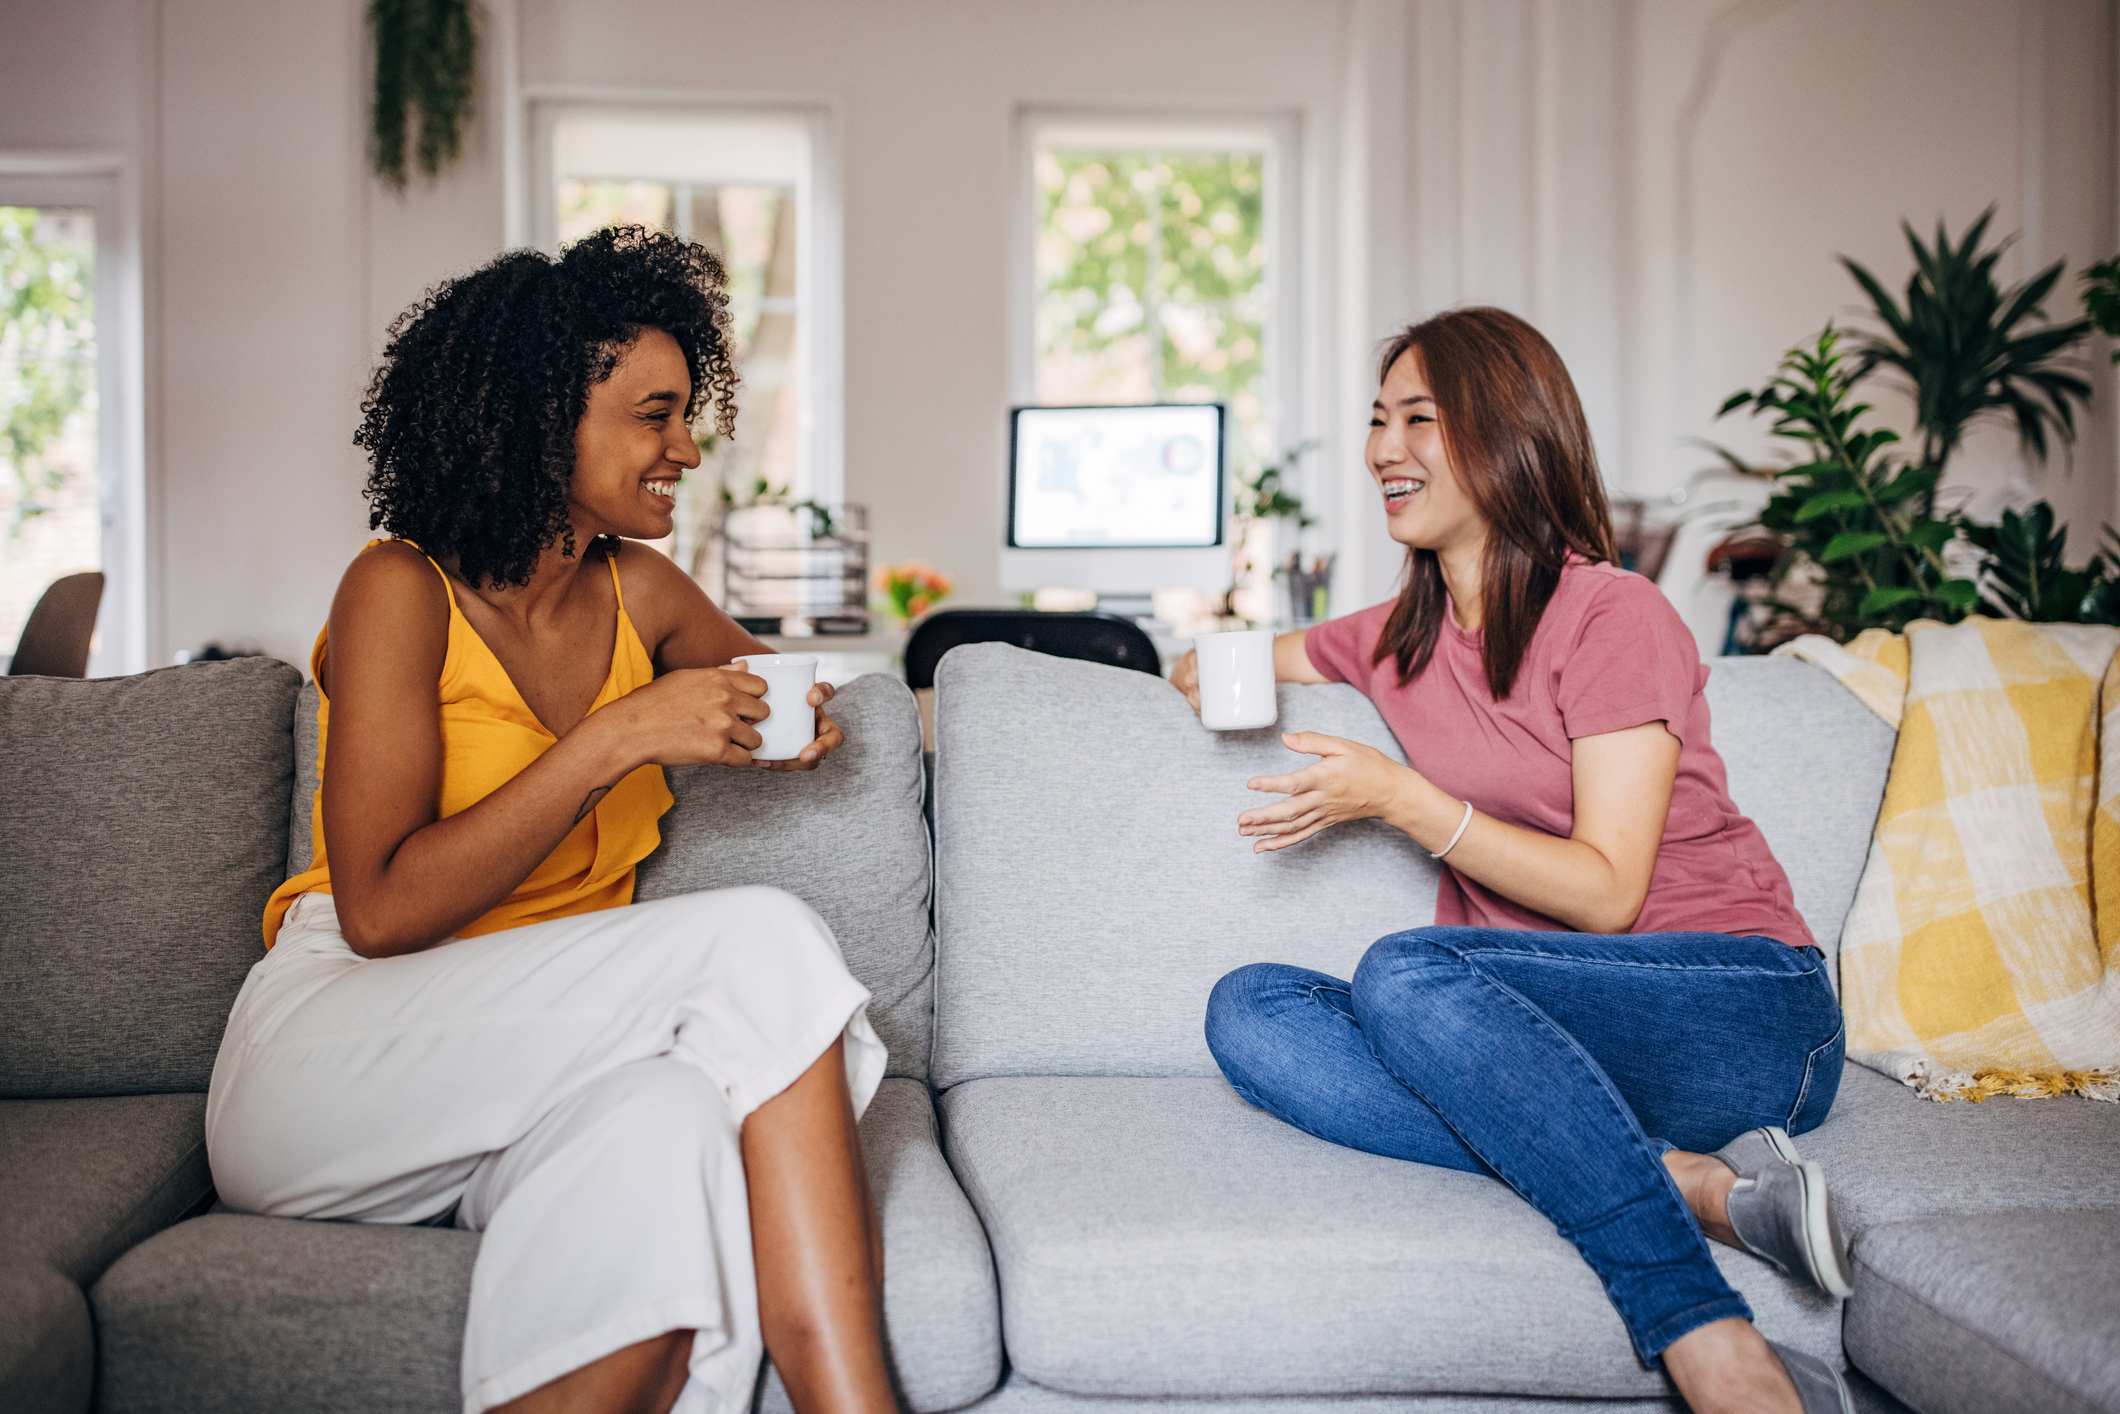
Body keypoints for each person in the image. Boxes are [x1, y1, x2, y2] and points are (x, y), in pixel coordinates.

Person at [205, 227, 898, 1414]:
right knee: (762, 941)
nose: (687, 446)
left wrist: (799, 722)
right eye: (653, 414)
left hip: (530, 1068)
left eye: (688, 413)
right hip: (332, 1056)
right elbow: (376, 910)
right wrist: (619, 736)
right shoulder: (398, 590)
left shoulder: (639, 589)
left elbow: (775, 693)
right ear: (539, 419)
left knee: (675, 1120)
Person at [1174, 307, 1852, 1414]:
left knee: (1408, 971)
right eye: (1375, 420)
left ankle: (1708, 1340)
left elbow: (1605, 888)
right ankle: (1682, 1181)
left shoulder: (1610, 614)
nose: (1379, 449)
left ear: (1506, 434)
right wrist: (1202, 669)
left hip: (1739, 1005)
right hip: (1543, 1041)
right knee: (1247, 1006)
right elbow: (1228, 657)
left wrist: (1401, 800)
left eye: (1416, 419)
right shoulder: (1397, 634)